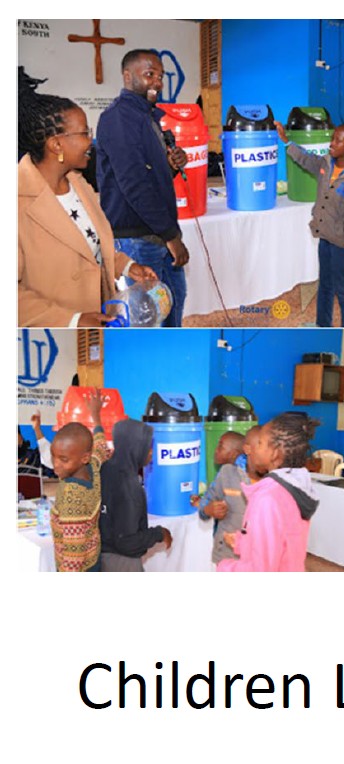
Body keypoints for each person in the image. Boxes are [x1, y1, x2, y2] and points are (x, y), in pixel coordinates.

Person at [18, 68, 154, 327]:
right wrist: (72, 321)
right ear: (56, 144)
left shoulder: (80, 185)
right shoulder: (16, 202)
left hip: (103, 313)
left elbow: (91, 247)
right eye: (83, 133)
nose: (91, 141)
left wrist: (126, 267)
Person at [96, 49, 190, 327]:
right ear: (128, 76)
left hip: (157, 233)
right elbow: (134, 185)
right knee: (148, 321)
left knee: (173, 310)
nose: (157, 82)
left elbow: (150, 176)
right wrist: (172, 236)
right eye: (149, 74)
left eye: (160, 76)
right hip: (138, 240)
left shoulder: (145, 116)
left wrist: (171, 166)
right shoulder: (118, 118)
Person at [276, 120, 344, 327]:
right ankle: (323, 324)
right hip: (325, 237)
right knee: (325, 285)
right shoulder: (325, 164)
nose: (332, 143)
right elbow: (304, 159)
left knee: (343, 288)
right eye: (332, 138)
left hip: (343, 243)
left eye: (338, 140)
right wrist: (286, 140)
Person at [218, 414, 320, 572]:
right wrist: (242, 541)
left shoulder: (267, 499)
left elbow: (261, 570)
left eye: (260, 443)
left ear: (275, 454)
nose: (254, 447)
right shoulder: (294, 488)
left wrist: (225, 567)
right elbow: (280, 540)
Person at [48, 390, 111, 572]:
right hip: (93, 559)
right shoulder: (92, 467)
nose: (55, 466)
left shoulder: (71, 496)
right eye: (54, 457)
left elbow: (73, 555)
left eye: (64, 459)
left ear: (83, 457)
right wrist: (96, 417)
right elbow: (101, 448)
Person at [98, 418, 172, 572]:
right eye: (147, 446)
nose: (151, 451)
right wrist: (159, 533)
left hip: (101, 555)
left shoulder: (105, 468)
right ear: (134, 447)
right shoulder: (129, 486)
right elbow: (127, 542)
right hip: (122, 562)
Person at [193, 428, 261, 566]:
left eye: (221, 446)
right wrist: (207, 509)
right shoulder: (226, 473)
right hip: (228, 554)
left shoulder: (274, 479)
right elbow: (206, 503)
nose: (216, 450)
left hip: (260, 556)